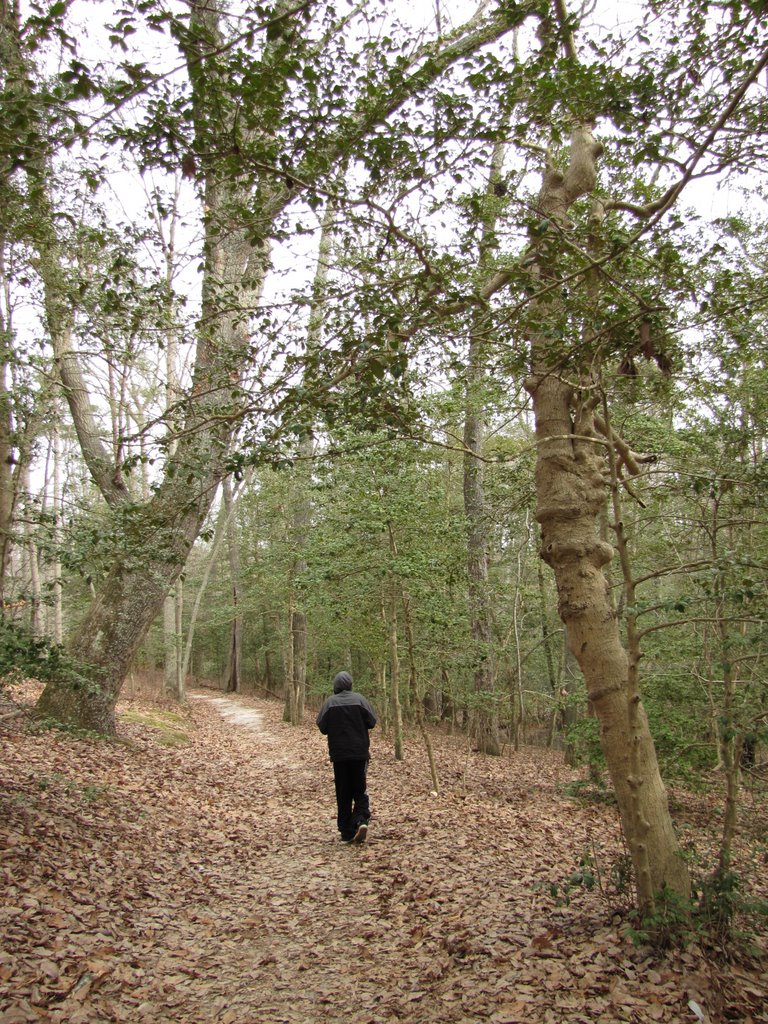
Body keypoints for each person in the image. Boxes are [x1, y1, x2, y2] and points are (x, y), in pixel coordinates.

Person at [316, 671, 377, 844]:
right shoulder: (360, 700)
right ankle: (360, 820)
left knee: (343, 791)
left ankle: (346, 831)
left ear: (335, 686)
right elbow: (372, 722)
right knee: (359, 788)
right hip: (359, 754)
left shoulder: (329, 703)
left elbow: (322, 726)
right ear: (350, 684)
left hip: (339, 755)